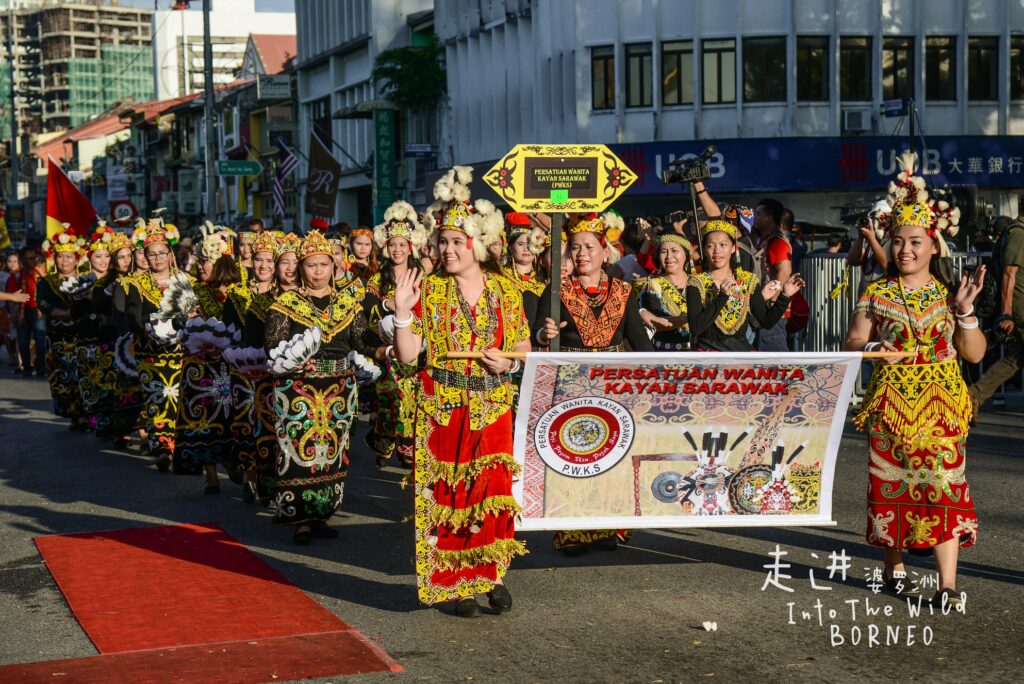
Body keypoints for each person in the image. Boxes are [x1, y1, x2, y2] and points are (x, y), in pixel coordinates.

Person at [844, 151, 985, 607]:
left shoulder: (949, 293)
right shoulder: (876, 292)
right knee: (892, 487)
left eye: (915, 242)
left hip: (943, 407)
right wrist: (871, 350)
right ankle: (895, 565)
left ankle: (948, 585)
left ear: (933, 245)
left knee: (944, 489)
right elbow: (851, 341)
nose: (905, 250)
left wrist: (964, 313)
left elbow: (975, 352)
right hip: (891, 407)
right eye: (899, 240)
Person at [393, 165, 528, 617]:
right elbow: (409, 356)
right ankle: (454, 585)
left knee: (492, 489)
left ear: (478, 243)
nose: (446, 250)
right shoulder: (428, 292)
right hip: (444, 403)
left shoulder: (507, 291)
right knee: (451, 495)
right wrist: (402, 315)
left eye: (456, 241)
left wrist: (509, 360)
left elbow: (524, 346)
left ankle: (492, 574)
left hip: (493, 402)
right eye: (442, 241)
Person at [534, 211, 653, 556]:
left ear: (605, 250)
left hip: (614, 384)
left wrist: (664, 370)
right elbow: (536, 332)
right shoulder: (556, 290)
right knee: (573, 456)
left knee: (610, 454)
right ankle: (571, 530)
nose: (582, 253)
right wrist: (545, 333)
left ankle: (607, 525)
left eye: (589, 246)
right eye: (574, 248)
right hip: (571, 383)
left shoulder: (624, 291)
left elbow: (638, 341)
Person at [264, 228, 372, 543]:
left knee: (333, 452)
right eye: (311, 265)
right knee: (300, 450)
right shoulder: (286, 302)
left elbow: (361, 341)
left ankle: (322, 513)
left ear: (334, 266)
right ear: (301, 268)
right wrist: (295, 363)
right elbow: (272, 345)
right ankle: (301, 520)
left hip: (339, 386)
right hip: (298, 388)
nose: (318, 271)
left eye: (324, 264)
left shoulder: (348, 302)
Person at [175, 224, 245, 492]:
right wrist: (187, 322)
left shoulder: (240, 290)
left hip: (231, 365)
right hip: (199, 365)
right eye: (200, 259)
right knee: (202, 418)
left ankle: (235, 462)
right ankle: (211, 474)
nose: (200, 265)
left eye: (206, 260)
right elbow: (177, 326)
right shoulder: (191, 290)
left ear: (222, 262)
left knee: (233, 418)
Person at [364, 201, 427, 468]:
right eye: (393, 245)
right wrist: (386, 306)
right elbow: (366, 312)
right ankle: (387, 443)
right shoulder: (377, 280)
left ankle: (409, 449)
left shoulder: (422, 275)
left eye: (403, 244)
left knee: (415, 402)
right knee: (390, 401)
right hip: (388, 350)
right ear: (386, 248)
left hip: (417, 346)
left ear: (410, 246)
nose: (398, 249)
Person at [686, 219, 804, 352]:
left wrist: (785, 295)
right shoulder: (696, 283)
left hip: (741, 357)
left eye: (723, 244)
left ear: (733, 248)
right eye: (710, 245)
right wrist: (722, 297)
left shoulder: (747, 280)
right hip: (709, 358)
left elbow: (766, 321)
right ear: (704, 250)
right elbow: (695, 328)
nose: (716, 251)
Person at [223, 231, 280, 502]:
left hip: (273, 370)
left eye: (270, 260)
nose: (264, 265)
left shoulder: (286, 296)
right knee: (245, 422)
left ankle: (270, 480)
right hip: (243, 372)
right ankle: (248, 474)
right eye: (259, 259)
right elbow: (228, 333)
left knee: (271, 424)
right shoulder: (237, 294)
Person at [124, 219, 183, 470]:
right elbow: (132, 316)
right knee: (157, 398)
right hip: (151, 354)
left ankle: (177, 446)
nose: (158, 258)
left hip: (180, 354)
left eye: (162, 253)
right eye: (152, 254)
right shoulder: (137, 284)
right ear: (145, 257)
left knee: (178, 400)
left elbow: (192, 313)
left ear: (170, 255)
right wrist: (151, 329)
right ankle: (161, 447)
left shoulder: (182, 280)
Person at [968, 214, 1024, 415]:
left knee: (1015, 358)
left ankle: (973, 396)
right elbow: (1009, 275)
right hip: (1020, 307)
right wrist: (1007, 313)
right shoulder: (1018, 234)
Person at [35, 225, 88, 427]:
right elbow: (44, 304)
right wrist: (66, 313)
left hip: (83, 337)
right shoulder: (46, 282)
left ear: (77, 258)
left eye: (68, 256)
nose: (64, 261)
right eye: (60, 256)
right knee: (64, 379)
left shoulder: (86, 279)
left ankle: (87, 413)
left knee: (85, 375)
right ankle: (74, 414)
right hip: (58, 338)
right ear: (54, 258)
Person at [89, 228, 134, 440]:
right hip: (111, 339)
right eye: (121, 257)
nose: (125, 261)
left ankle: (131, 427)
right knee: (111, 384)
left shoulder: (139, 279)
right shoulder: (103, 283)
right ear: (114, 261)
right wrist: (110, 291)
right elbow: (96, 305)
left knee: (131, 386)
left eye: (128, 256)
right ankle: (114, 427)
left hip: (133, 338)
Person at [75, 225, 116, 430]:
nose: (103, 260)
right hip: (88, 336)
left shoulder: (115, 280)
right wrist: (79, 297)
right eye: (98, 256)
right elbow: (74, 312)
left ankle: (112, 421)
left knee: (111, 380)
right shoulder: (82, 280)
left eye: (106, 255)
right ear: (90, 258)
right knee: (90, 379)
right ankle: (92, 415)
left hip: (109, 337)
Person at [636, 233, 693, 350]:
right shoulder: (651, 285)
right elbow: (656, 322)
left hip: (699, 354)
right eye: (663, 252)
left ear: (686, 255)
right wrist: (690, 317)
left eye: (674, 251)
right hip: (665, 354)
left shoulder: (699, 283)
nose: (668, 256)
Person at [751, 198, 793, 352]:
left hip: (772, 311)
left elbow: (785, 271)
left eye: (758, 214)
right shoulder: (763, 239)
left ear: (769, 217)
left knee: (773, 359)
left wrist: (773, 300)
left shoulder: (776, 241)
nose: (755, 218)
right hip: (765, 307)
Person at [501, 212, 549, 328]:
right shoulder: (500, 276)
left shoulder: (545, 278)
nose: (526, 248)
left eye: (530, 243)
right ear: (511, 248)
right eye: (520, 244)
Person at [8, 247, 46, 376]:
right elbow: (11, 296)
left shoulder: (40, 273)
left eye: (35, 257)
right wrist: (14, 314)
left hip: (38, 312)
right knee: (23, 342)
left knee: (40, 340)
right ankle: (27, 367)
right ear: (23, 260)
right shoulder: (17, 275)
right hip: (22, 313)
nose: (34, 260)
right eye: (30, 258)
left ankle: (41, 367)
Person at [847, 200, 891, 294]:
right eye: (873, 217)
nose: (876, 221)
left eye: (879, 218)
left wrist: (871, 238)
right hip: (866, 297)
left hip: (882, 298)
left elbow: (886, 265)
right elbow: (852, 261)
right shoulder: (872, 240)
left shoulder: (894, 241)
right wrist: (861, 237)